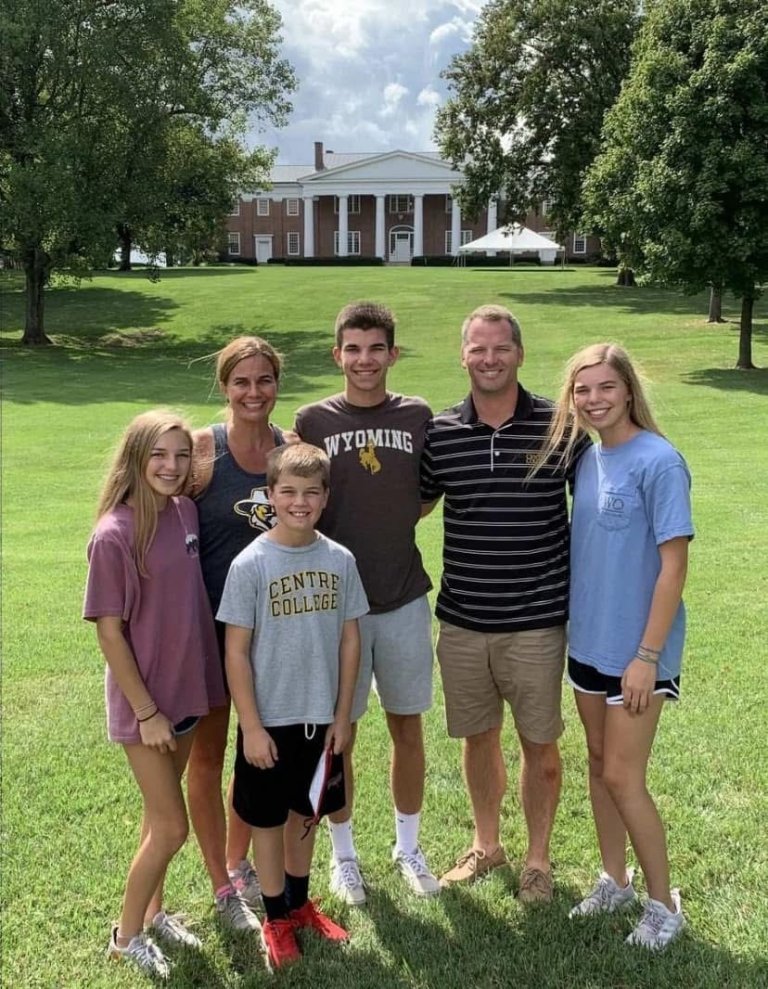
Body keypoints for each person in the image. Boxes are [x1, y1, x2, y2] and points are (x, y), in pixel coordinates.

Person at [420, 304, 589, 901]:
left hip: (536, 621)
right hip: (463, 620)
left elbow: (599, 505)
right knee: (478, 738)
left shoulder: (560, 425)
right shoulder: (440, 433)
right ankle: (487, 845)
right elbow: (408, 507)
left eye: (500, 348)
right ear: (462, 355)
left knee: (540, 744)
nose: (488, 359)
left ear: (518, 353)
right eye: (477, 348)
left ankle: (538, 861)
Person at [538, 343, 692, 949]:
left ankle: (663, 905)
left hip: (638, 656)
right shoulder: (588, 460)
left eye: (605, 387)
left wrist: (646, 657)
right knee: (599, 769)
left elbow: (673, 569)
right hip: (589, 646)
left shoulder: (660, 462)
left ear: (628, 390)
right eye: (582, 390)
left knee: (626, 777)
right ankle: (615, 880)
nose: (593, 400)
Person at [294, 301, 439, 904]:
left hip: (403, 595)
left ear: (392, 353)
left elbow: (425, 495)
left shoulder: (416, 415)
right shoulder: (312, 420)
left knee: (408, 726)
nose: (364, 360)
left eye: (376, 348)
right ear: (337, 355)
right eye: (352, 349)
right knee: (338, 734)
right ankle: (344, 854)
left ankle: (408, 845)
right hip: (334, 607)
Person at [83, 410, 226, 979]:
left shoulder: (185, 511)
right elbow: (109, 632)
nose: (170, 467)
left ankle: (156, 911)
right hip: (147, 709)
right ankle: (126, 935)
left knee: (154, 819)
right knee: (171, 826)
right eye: (158, 456)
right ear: (135, 458)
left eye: (181, 456)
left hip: (189, 690)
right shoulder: (113, 535)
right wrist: (146, 712)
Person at [218, 443, 368, 970]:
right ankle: (275, 916)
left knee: (307, 815)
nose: (299, 502)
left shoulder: (339, 559)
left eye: (311, 492)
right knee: (267, 821)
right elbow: (235, 651)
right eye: (288, 492)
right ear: (271, 495)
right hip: (269, 722)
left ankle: (301, 904)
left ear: (326, 496)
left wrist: (344, 714)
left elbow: (351, 640)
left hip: (322, 719)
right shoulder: (251, 563)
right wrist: (251, 727)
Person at [186, 336, 286, 931]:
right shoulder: (200, 451)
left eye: (264, 380)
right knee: (208, 759)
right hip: (208, 634)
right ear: (225, 386)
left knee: (259, 760)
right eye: (241, 382)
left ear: (277, 384)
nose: (254, 392)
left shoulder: (292, 449)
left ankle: (239, 859)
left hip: (275, 638)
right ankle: (223, 886)